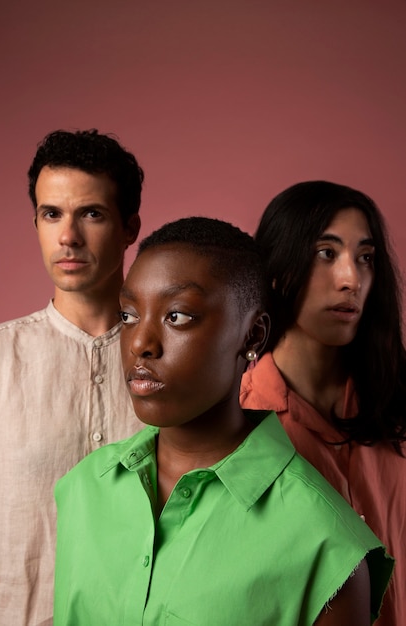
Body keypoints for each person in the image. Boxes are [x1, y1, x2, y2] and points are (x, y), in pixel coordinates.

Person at [54, 216, 393, 626]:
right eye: (128, 315)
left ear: (252, 336)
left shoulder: (328, 544)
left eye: (177, 316)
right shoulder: (84, 488)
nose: (140, 344)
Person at [0, 129, 145, 626]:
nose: (68, 237)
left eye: (91, 214)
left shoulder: (171, 364)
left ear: (129, 227)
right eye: (51, 214)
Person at [240, 180, 406, 626]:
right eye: (326, 253)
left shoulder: (396, 401)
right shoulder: (240, 419)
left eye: (365, 258)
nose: (351, 279)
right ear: (277, 269)